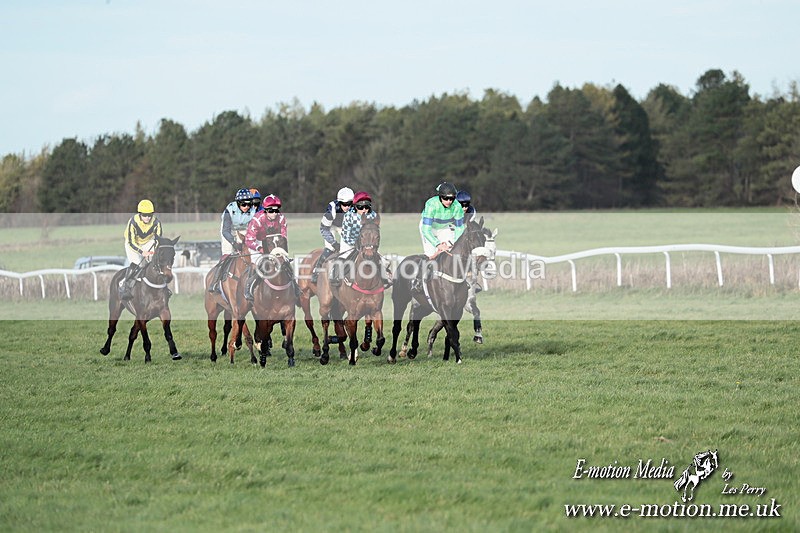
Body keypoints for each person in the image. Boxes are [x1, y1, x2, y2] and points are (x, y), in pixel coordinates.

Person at [330, 191, 392, 287]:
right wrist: (357, 244)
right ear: (355, 206)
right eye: (360, 207)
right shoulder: (348, 216)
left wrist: (371, 244)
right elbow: (346, 235)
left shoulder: (373, 215)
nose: (364, 209)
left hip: (366, 243)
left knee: (380, 259)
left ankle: (385, 277)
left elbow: (375, 233)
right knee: (343, 257)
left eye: (366, 206)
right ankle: (335, 276)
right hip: (349, 241)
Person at [242, 194, 298, 301]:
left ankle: (295, 288)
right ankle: (249, 287)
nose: (274, 214)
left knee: (286, 264)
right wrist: (260, 249)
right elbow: (249, 240)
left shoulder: (281, 218)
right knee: (258, 266)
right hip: (258, 243)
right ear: (266, 210)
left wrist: (282, 252)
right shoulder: (257, 220)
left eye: (276, 210)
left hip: (274, 242)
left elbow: (283, 237)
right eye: (271, 211)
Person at [208, 188, 256, 293]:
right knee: (227, 254)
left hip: (244, 229)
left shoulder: (253, 210)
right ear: (238, 203)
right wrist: (234, 242)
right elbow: (225, 231)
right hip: (229, 230)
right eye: (243, 204)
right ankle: (215, 282)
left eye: (249, 204)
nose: (246, 207)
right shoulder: (229, 209)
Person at [120, 199, 162, 300]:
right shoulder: (133, 222)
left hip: (147, 242)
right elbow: (131, 242)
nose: (147, 217)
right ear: (140, 214)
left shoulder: (156, 223)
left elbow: (158, 240)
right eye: (144, 215)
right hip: (133, 244)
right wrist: (142, 252)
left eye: (149, 215)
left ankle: (162, 287)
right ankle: (125, 286)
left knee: (155, 264)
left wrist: (153, 252)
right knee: (137, 265)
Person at [310, 186, 354, 283]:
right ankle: (316, 271)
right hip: (331, 226)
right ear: (339, 202)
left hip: (344, 227)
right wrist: (333, 242)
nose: (347, 207)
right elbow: (324, 229)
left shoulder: (354, 209)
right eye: (344, 204)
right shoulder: (332, 209)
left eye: (349, 204)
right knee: (330, 248)